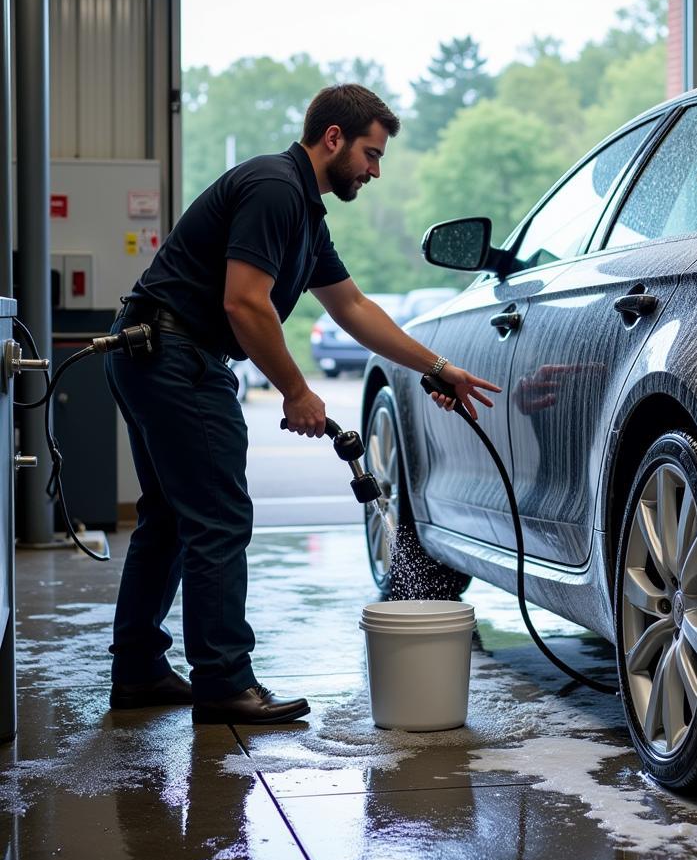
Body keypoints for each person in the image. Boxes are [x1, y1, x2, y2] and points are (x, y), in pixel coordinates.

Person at [105, 84, 500, 725]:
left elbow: (353, 307)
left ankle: (140, 672)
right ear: (334, 139)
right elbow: (244, 302)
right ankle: (224, 684)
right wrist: (295, 389)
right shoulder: (275, 188)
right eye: (371, 154)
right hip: (175, 356)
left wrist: (437, 366)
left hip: (156, 352)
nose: (375, 171)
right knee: (218, 519)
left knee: (173, 520)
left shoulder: (305, 215)